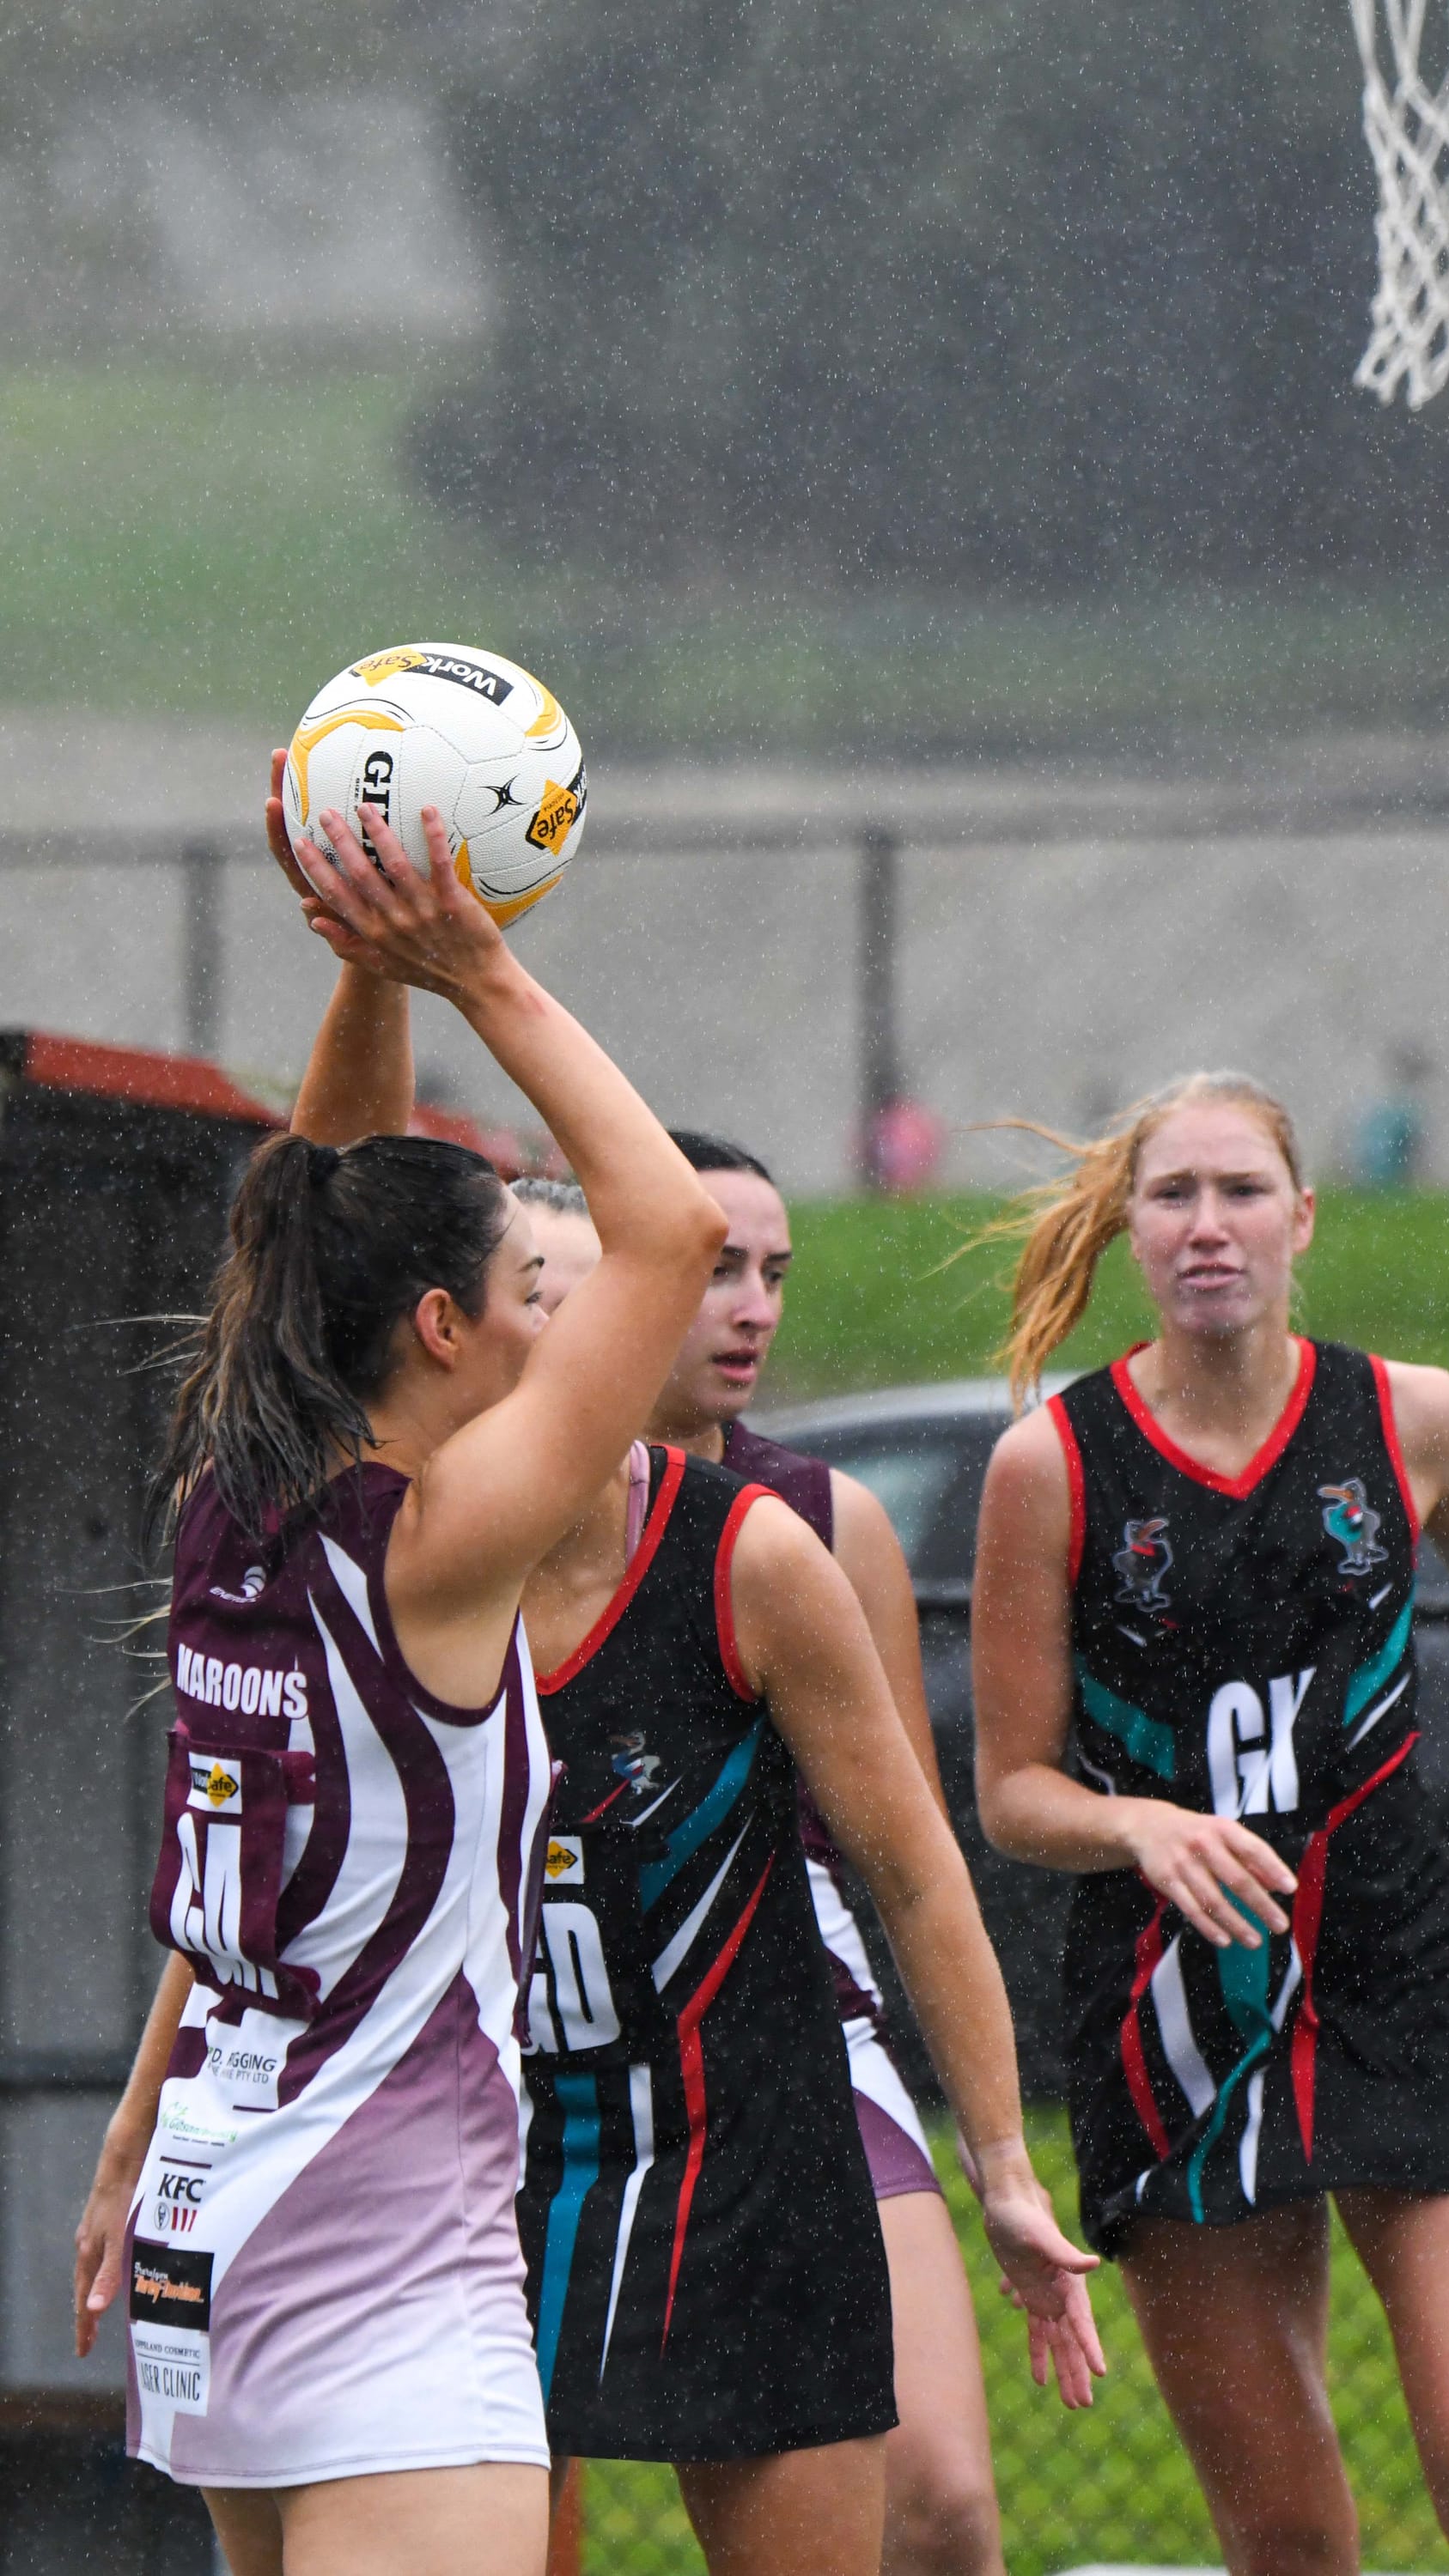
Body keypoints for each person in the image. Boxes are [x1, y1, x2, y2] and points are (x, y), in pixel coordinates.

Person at [74, 793, 729, 2576]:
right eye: (526, 1286)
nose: (552, 1313)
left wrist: (370, 973)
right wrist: (479, 970)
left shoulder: (237, 1482)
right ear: (441, 1329)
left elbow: (319, 1212)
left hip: (214, 2173)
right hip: (368, 2235)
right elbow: (667, 1235)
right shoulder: (435, 1542)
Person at [970, 1070, 1449, 2576]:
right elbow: (1012, 1793)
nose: (1208, 1226)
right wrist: (1143, 1832)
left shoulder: (1406, 1419)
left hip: (1398, 1970)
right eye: (1173, 1196)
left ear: (1301, 1219)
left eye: (1241, 1192)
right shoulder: (1053, 1466)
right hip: (1180, 2006)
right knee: (1293, 2535)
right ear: (1129, 1230)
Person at [537, 1132, 1018, 2576]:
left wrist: (998, 2150)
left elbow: (906, 1854)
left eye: (773, 1275)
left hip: (774, 2031)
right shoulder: (455, 1532)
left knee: (938, 2498)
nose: (751, 1305)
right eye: (716, 1268)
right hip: (539, 2048)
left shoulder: (810, 1521)